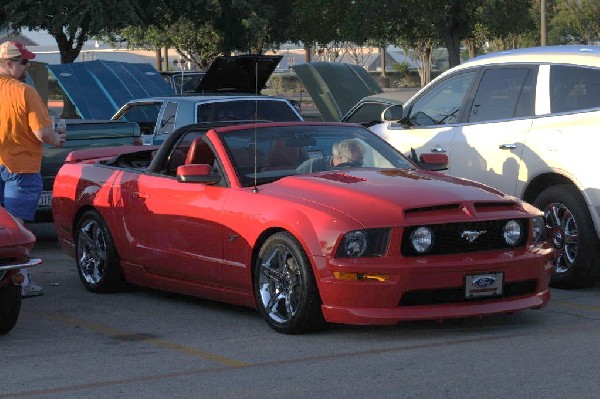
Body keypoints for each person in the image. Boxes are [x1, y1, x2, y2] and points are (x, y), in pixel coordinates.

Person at [0, 41, 66, 297]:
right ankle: (20, 282)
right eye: (24, 62)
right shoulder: (25, 92)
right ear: (9, 64)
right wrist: (57, 139)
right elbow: (42, 133)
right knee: (16, 226)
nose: (27, 66)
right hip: (22, 167)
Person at [296, 138, 365, 173]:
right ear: (341, 157)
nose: (357, 167)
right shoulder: (312, 166)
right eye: (353, 164)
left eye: (360, 163)